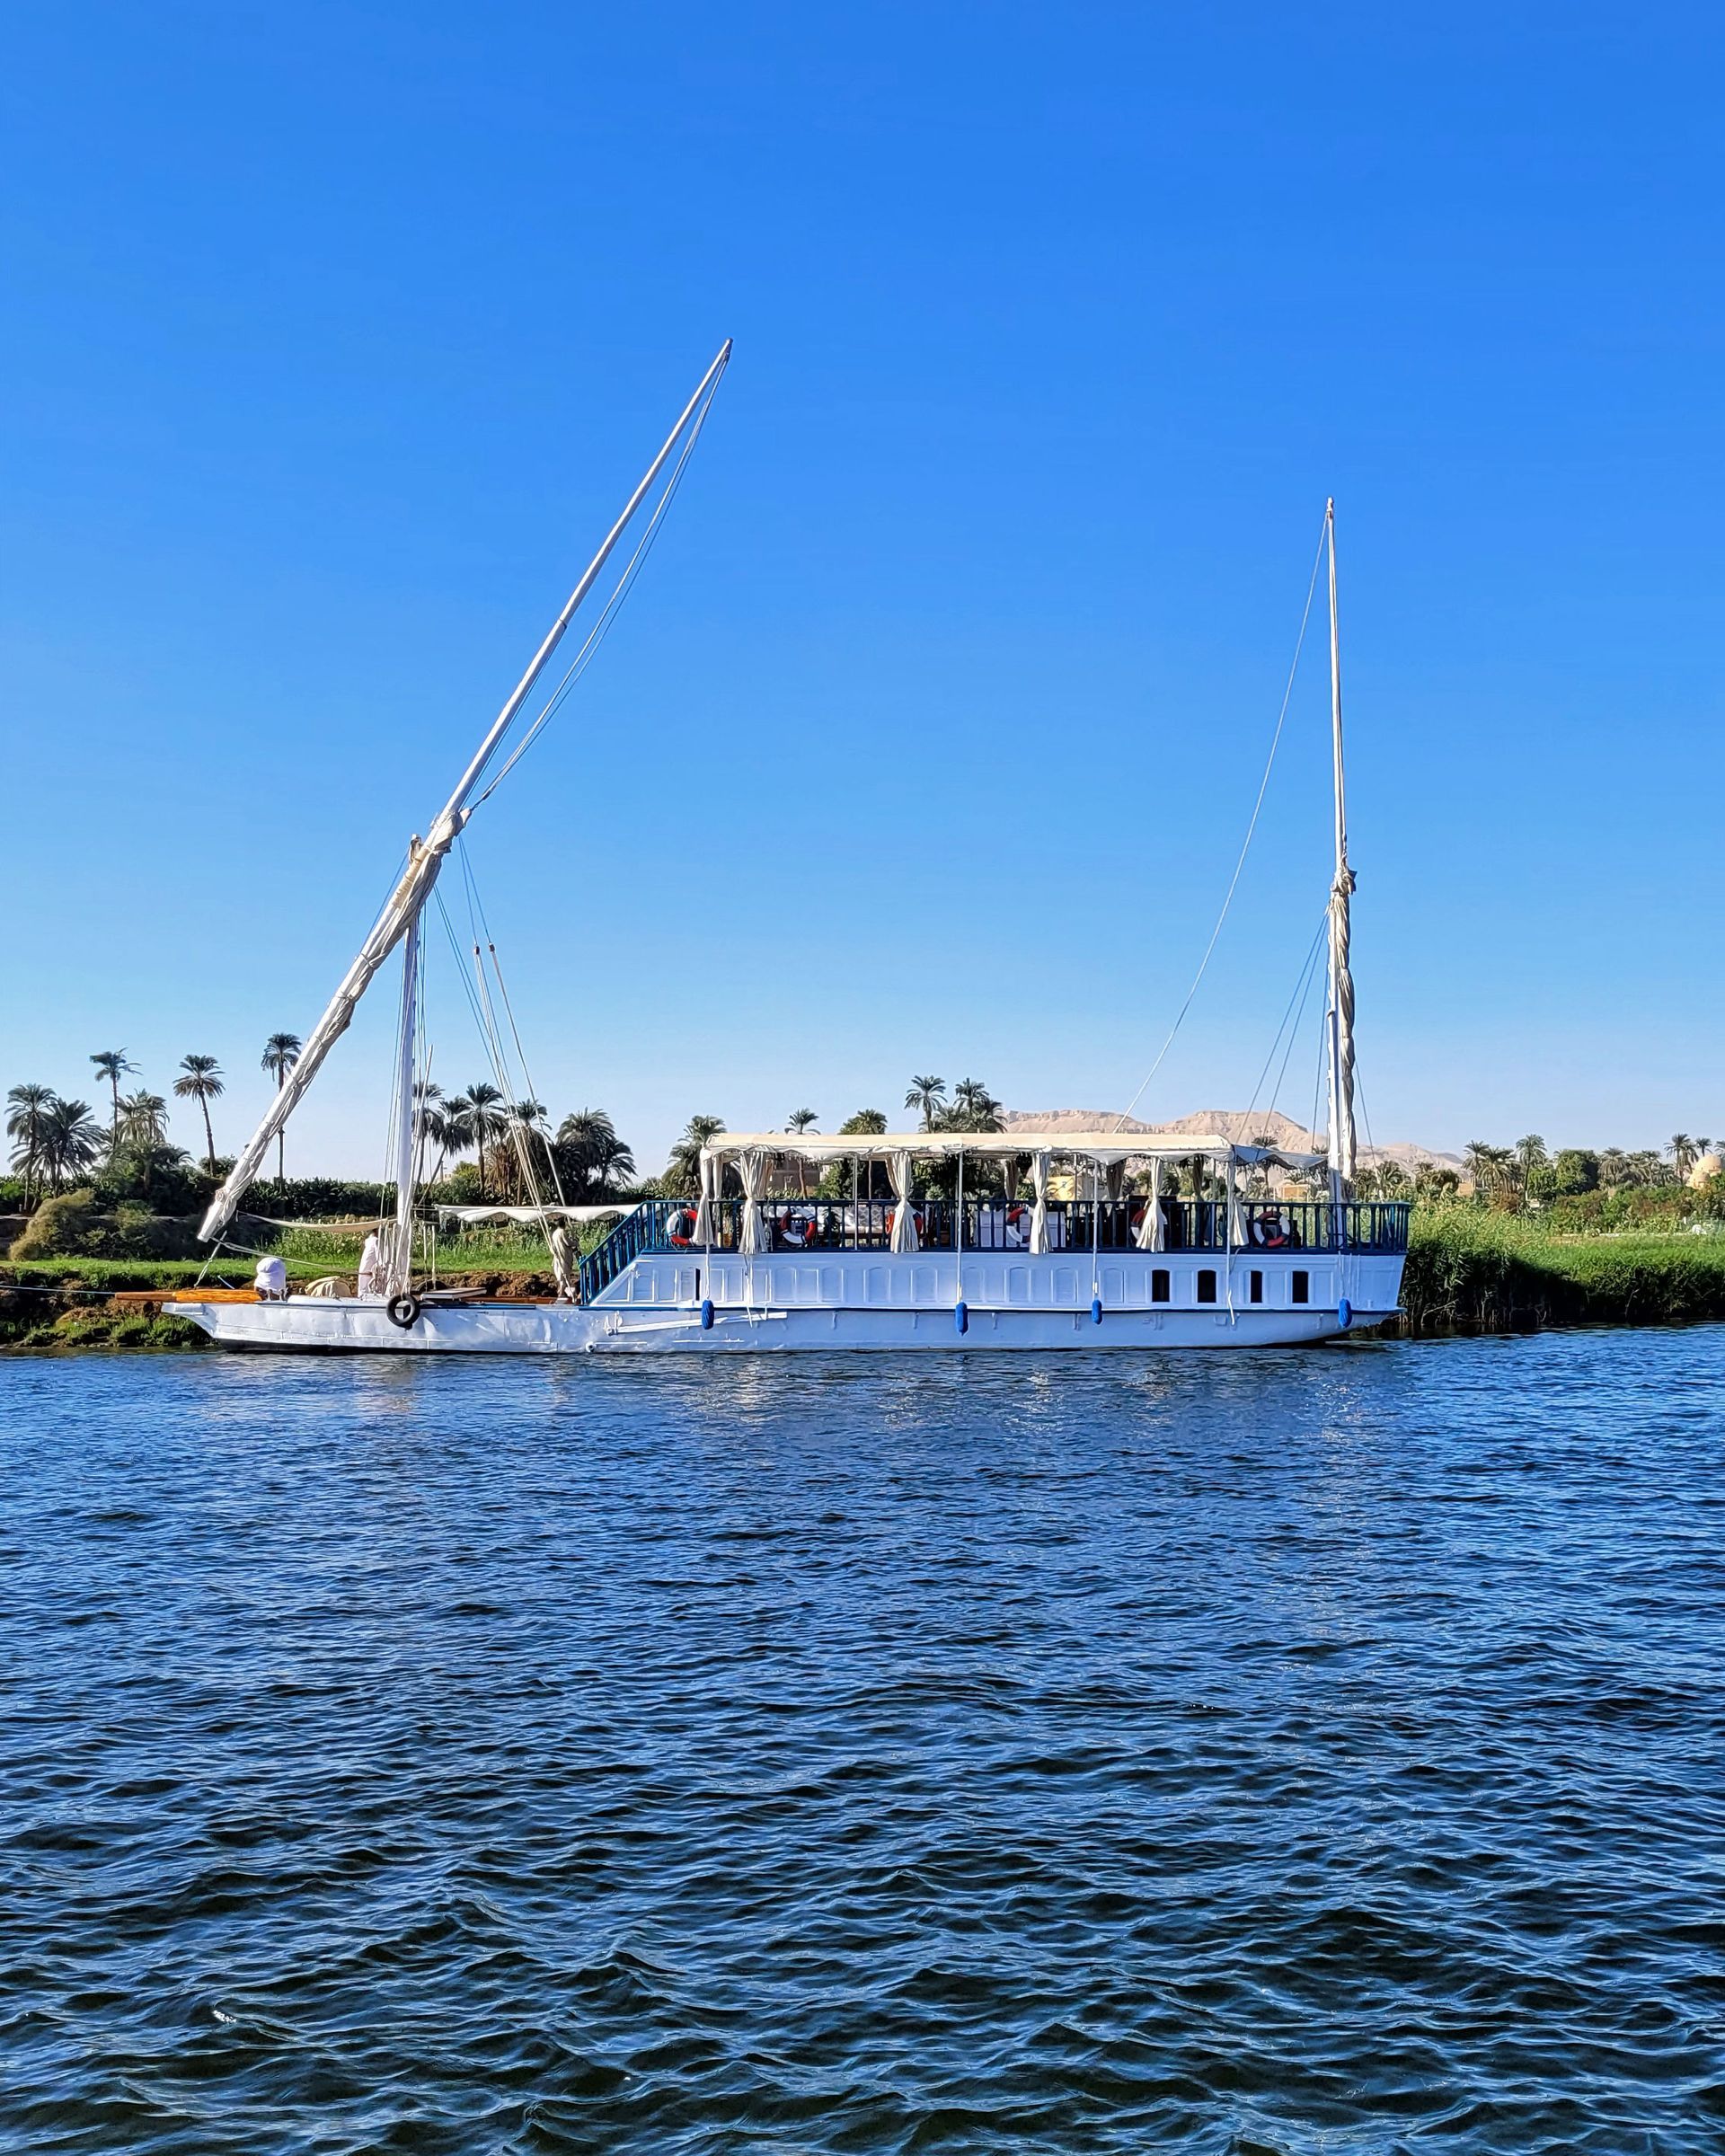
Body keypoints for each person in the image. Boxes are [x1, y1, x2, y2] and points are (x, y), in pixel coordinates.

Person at [358, 1231, 383, 1299]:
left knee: (362, 1289)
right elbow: (379, 1255)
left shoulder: (367, 1241)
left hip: (364, 1270)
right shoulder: (376, 1241)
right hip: (368, 1272)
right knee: (368, 1289)